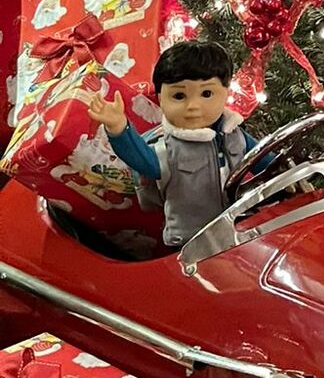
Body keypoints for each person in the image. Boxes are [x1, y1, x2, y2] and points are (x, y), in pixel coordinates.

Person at [83, 40, 249, 249]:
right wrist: (118, 128)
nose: (193, 106)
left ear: (225, 92)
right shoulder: (167, 147)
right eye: (179, 96)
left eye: (207, 94)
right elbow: (142, 160)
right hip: (193, 241)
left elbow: (264, 157)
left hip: (242, 224)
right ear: (161, 98)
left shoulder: (234, 133)